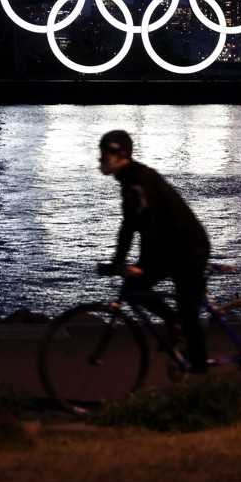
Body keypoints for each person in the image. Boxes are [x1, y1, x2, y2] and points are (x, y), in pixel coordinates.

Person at [96, 129, 210, 374]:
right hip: (170, 249)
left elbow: (150, 226)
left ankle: (202, 377)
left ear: (120, 154)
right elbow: (128, 227)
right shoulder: (129, 181)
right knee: (135, 289)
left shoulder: (140, 180)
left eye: (104, 153)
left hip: (189, 248)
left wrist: (143, 264)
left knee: (188, 312)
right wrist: (116, 263)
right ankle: (173, 323)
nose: (100, 159)